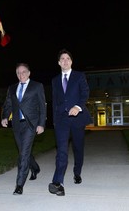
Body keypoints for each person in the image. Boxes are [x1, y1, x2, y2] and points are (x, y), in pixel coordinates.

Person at [48, 49, 92, 196]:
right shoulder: (54, 80)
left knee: (78, 148)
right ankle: (58, 182)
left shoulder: (79, 76)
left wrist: (78, 107)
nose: (65, 61)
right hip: (61, 120)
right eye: (62, 59)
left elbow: (85, 93)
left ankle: (77, 172)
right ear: (59, 62)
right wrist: (54, 121)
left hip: (77, 119)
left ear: (71, 62)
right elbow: (54, 102)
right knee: (61, 151)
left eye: (68, 58)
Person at [1, 63, 47, 195]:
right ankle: (35, 168)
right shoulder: (12, 88)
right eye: (18, 73)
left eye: (23, 72)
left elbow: (42, 107)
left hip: (30, 125)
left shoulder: (37, 86)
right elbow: (8, 105)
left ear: (29, 73)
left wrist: (41, 124)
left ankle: (19, 185)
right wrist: (5, 117)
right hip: (16, 124)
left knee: (23, 154)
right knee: (23, 151)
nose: (21, 75)